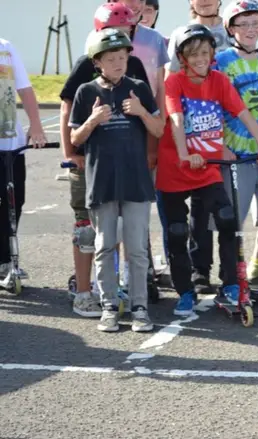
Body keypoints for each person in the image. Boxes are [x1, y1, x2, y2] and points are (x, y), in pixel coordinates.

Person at [158, 24, 258, 315]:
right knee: (177, 230)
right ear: (182, 57)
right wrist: (185, 153)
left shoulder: (220, 80)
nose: (200, 59)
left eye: (205, 53)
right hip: (176, 167)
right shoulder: (175, 81)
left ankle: (231, 283)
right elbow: (175, 118)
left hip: (208, 165)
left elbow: (242, 113)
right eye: (193, 54)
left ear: (212, 55)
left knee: (225, 217)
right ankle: (185, 290)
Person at [69, 28, 164, 332]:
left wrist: (140, 112)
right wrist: (93, 121)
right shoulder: (86, 92)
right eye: (111, 59)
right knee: (104, 245)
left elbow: (159, 129)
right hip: (102, 180)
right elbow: (74, 138)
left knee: (136, 248)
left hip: (135, 180)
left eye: (122, 57)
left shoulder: (138, 87)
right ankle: (109, 305)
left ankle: (139, 308)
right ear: (97, 62)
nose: (119, 63)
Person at [60, 2, 150, 317]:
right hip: (89, 160)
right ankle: (84, 291)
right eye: (114, 30)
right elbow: (66, 106)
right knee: (89, 230)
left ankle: (118, 289)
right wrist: (70, 153)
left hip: (125, 162)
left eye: (126, 30)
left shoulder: (132, 64)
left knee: (125, 232)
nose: (120, 36)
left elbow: (148, 116)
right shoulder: (88, 64)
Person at [214, 0, 258, 291]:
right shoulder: (221, 60)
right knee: (232, 218)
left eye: (255, 23)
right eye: (244, 24)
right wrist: (219, 145)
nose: (251, 29)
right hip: (234, 149)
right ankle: (230, 273)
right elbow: (211, 104)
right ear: (231, 29)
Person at [0, 38, 47, 281]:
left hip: (9, 142)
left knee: (13, 203)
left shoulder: (5, 47)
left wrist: (36, 125)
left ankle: (5, 261)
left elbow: (25, 89)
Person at [165, 0, 232, 77]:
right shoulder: (180, 34)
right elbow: (170, 77)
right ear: (191, 1)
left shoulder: (238, 27)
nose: (205, 0)